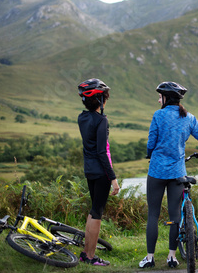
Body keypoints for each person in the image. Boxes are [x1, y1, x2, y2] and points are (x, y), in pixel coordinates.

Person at [139, 81, 198, 269]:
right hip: (178, 172)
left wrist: (149, 152)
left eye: (160, 96)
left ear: (166, 98)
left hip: (156, 171)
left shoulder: (158, 115)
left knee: (153, 215)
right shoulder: (189, 118)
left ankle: (150, 257)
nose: (158, 99)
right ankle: (172, 256)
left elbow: (151, 142)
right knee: (175, 216)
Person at [77, 78, 120, 266]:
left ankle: (85, 253)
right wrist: (113, 178)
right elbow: (102, 152)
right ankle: (91, 257)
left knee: (93, 210)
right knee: (97, 213)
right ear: (101, 100)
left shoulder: (82, 118)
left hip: (89, 171)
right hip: (101, 173)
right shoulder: (102, 120)